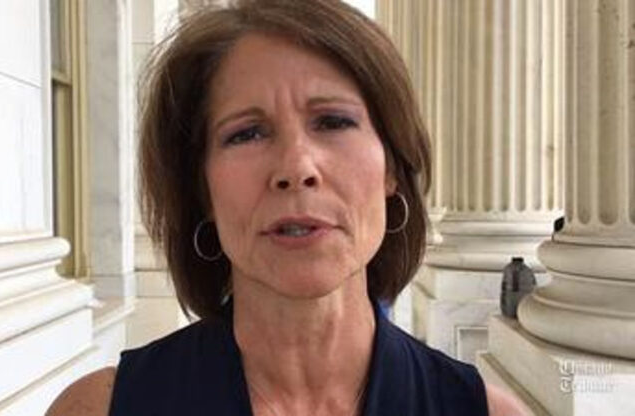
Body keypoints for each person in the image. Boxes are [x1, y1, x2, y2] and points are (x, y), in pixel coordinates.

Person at [47, 0, 528, 415]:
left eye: (333, 122)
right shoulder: (98, 408)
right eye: (247, 133)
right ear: (201, 189)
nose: (297, 167)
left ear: (392, 168)